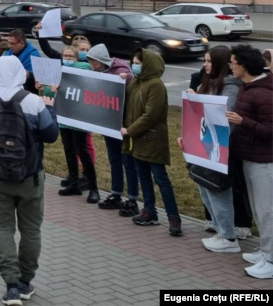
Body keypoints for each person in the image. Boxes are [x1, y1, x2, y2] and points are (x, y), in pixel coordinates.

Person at [0, 56, 59, 306]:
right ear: (21, 74)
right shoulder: (32, 102)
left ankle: (10, 286)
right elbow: (51, 136)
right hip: (30, 176)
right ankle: (25, 282)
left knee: (2, 229)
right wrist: (49, 106)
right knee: (31, 231)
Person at [180, 47, 244, 254]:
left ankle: (228, 236)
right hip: (203, 148)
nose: (205, 65)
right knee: (205, 187)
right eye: (204, 60)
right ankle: (220, 230)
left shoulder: (231, 88)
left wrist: (197, 100)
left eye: (209, 61)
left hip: (221, 150)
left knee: (218, 191)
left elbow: (224, 117)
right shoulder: (206, 84)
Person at [122, 49, 182, 236]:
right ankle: (149, 211)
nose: (135, 66)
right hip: (138, 139)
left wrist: (130, 130)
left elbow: (151, 115)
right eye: (133, 62)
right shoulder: (136, 83)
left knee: (161, 179)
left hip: (152, 139)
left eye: (138, 62)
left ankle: (174, 217)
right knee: (143, 177)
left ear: (148, 64)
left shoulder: (155, 85)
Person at [227, 44, 273, 279]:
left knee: (267, 211)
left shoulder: (263, 93)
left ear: (243, 66)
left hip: (264, 162)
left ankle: (271, 260)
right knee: (258, 209)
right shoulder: (249, 87)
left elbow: (269, 130)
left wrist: (243, 121)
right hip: (249, 157)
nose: (230, 67)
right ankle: (265, 250)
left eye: (233, 63)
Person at [38, 43, 99, 203]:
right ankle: (73, 182)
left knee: (82, 151)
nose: (67, 59)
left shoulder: (83, 69)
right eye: (65, 56)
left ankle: (94, 188)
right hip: (63, 117)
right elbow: (52, 94)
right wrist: (45, 88)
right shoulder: (59, 71)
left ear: (77, 58)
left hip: (78, 117)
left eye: (71, 56)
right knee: (69, 150)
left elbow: (85, 88)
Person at [85, 44, 139, 215]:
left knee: (127, 161)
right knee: (114, 159)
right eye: (91, 63)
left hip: (123, 124)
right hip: (108, 122)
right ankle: (116, 194)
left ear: (103, 60)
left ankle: (132, 198)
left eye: (95, 63)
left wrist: (125, 79)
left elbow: (130, 79)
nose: (93, 66)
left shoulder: (121, 71)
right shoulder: (98, 72)